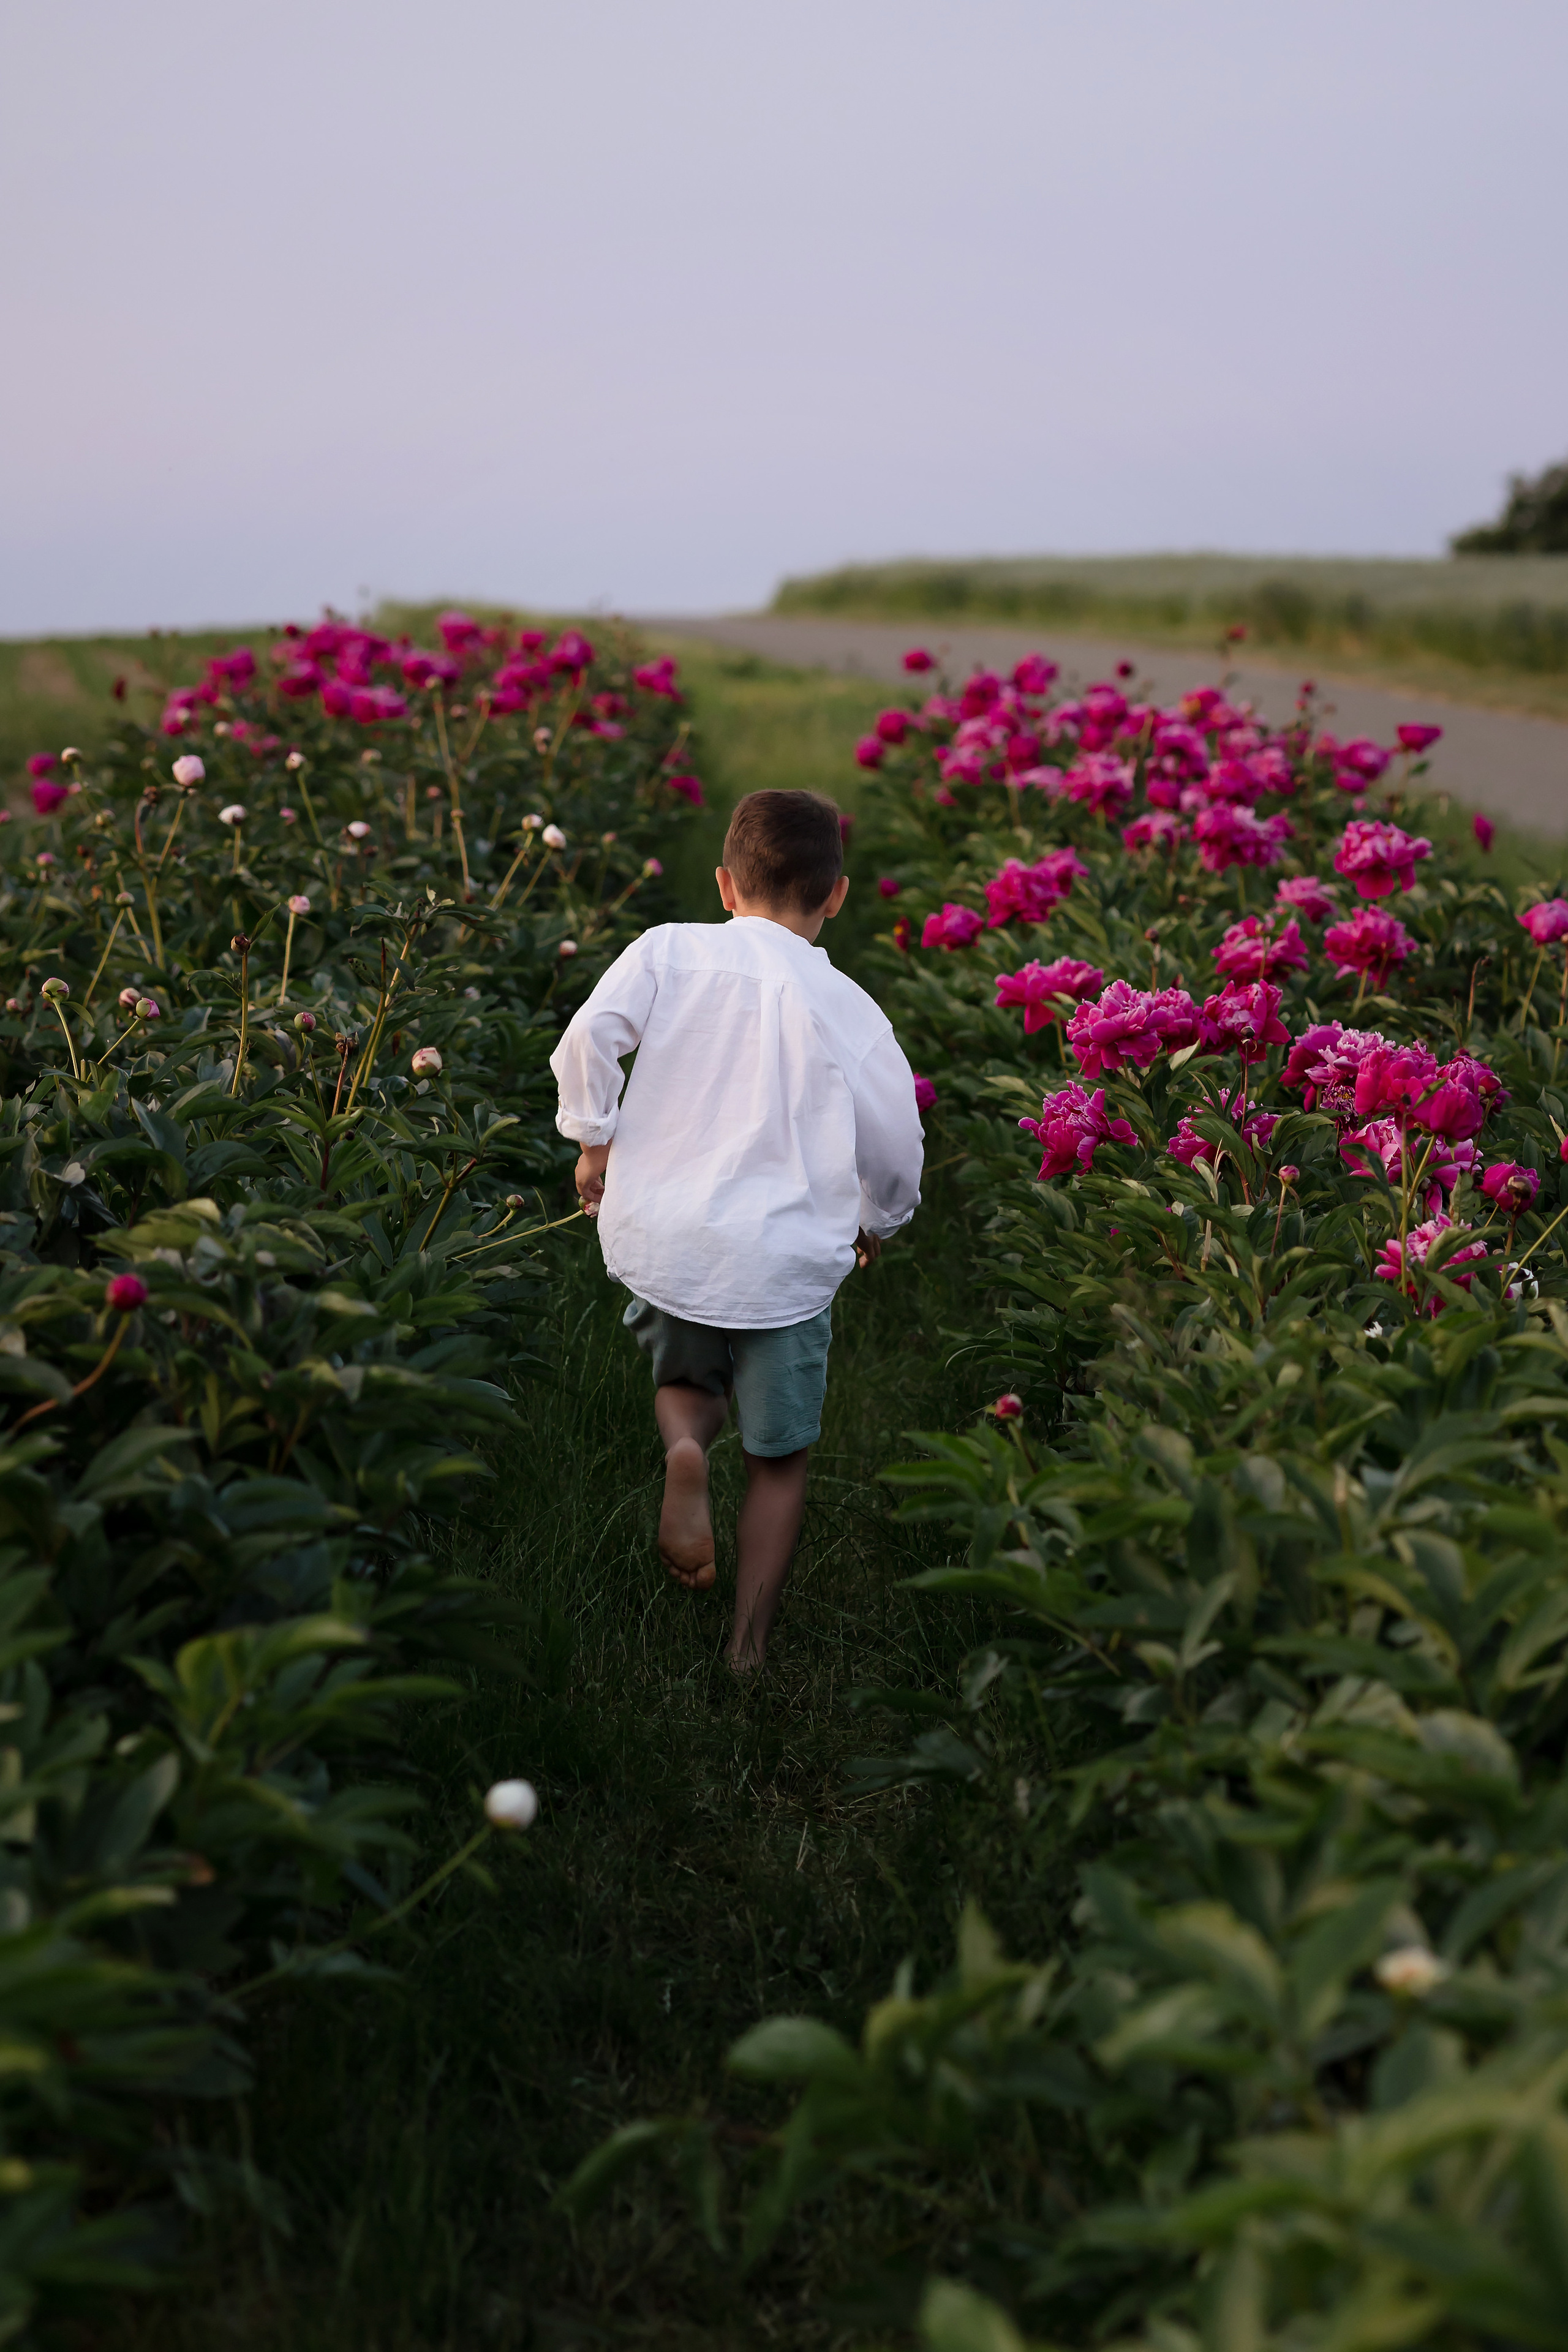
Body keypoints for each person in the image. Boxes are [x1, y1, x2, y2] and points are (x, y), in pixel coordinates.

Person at [550, 788, 924, 1670]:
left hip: (668, 1236)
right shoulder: (854, 1011)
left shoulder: (665, 952)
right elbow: (896, 1141)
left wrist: (595, 1139)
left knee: (687, 1376)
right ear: (837, 896)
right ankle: (747, 1648)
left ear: (723, 885)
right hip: (787, 1261)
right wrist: (880, 1219)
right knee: (778, 1460)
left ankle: (685, 1448)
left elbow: (586, 1040)